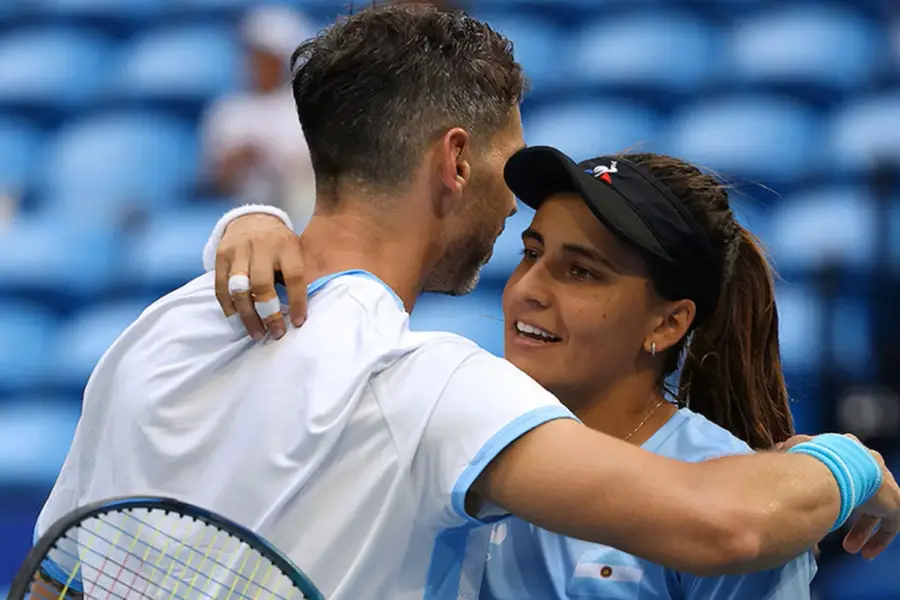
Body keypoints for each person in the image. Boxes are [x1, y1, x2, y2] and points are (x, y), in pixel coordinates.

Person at [34, 5, 897, 600]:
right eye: (503, 172)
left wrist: (257, 218)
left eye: (583, 268)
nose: (509, 216)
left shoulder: (164, 327)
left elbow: (52, 581)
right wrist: (852, 463)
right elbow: (722, 525)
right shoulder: (433, 388)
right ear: (454, 161)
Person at [209, 147, 818, 599]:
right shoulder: (449, 420)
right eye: (531, 254)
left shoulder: (743, 498)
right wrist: (251, 221)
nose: (528, 289)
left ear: (668, 323)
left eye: (581, 272)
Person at [200, 4, 317, 225]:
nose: (257, 65)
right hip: (241, 213)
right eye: (253, 56)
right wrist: (237, 160)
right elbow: (214, 181)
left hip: (298, 213)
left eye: (266, 57)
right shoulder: (228, 111)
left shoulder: (303, 108)